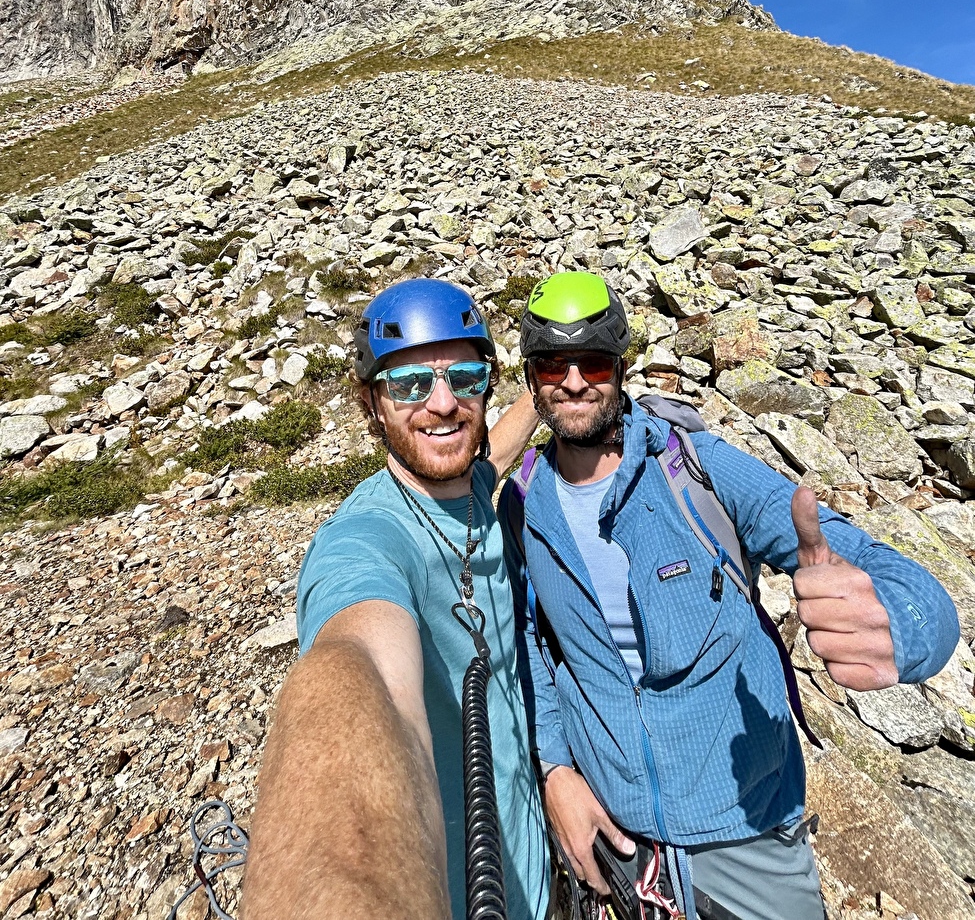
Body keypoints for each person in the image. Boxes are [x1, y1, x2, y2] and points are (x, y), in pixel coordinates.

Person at [502, 270, 960, 920]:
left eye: (593, 362)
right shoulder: (523, 505)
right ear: (530, 378)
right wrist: (555, 773)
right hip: (613, 834)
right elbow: (537, 649)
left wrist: (903, 622)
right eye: (552, 364)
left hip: (744, 822)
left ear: (620, 367)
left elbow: (867, 560)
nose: (573, 381)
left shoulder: (694, 468)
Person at [242, 277, 550, 920]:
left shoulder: (469, 482)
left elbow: (491, 449)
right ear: (370, 405)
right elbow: (360, 669)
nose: (443, 404)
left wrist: (547, 393)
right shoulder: (367, 537)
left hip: (536, 863)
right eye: (410, 385)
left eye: (465, 378)